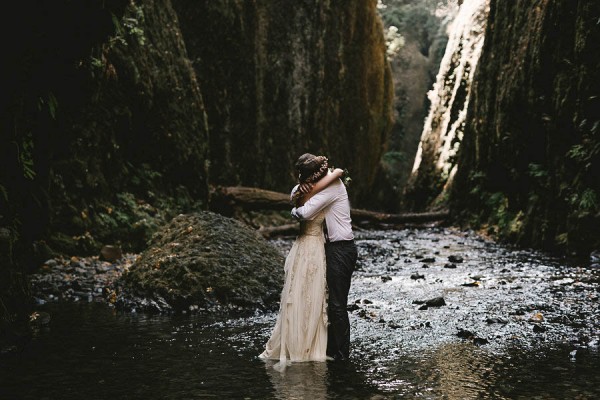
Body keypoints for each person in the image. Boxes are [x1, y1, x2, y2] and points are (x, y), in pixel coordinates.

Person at [259, 155, 343, 370]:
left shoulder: (297, 191)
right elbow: (338, 172)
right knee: (311, 295)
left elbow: (297, 206)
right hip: (314, 246)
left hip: (300, 246)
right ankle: (307, 345)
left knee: (296, 294)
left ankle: (295, 339)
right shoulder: (321, 192)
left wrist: (294, 205)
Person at [291, 153, 357, 362]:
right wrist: (298, 190)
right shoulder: (323, 185)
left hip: (341, 249)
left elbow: (305, 212)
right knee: (327, 301)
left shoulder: (333, 186)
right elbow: (295, 192)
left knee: (337, 304)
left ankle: (342, 355)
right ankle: (329, 349)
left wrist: (294, 207)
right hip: (329, 248)